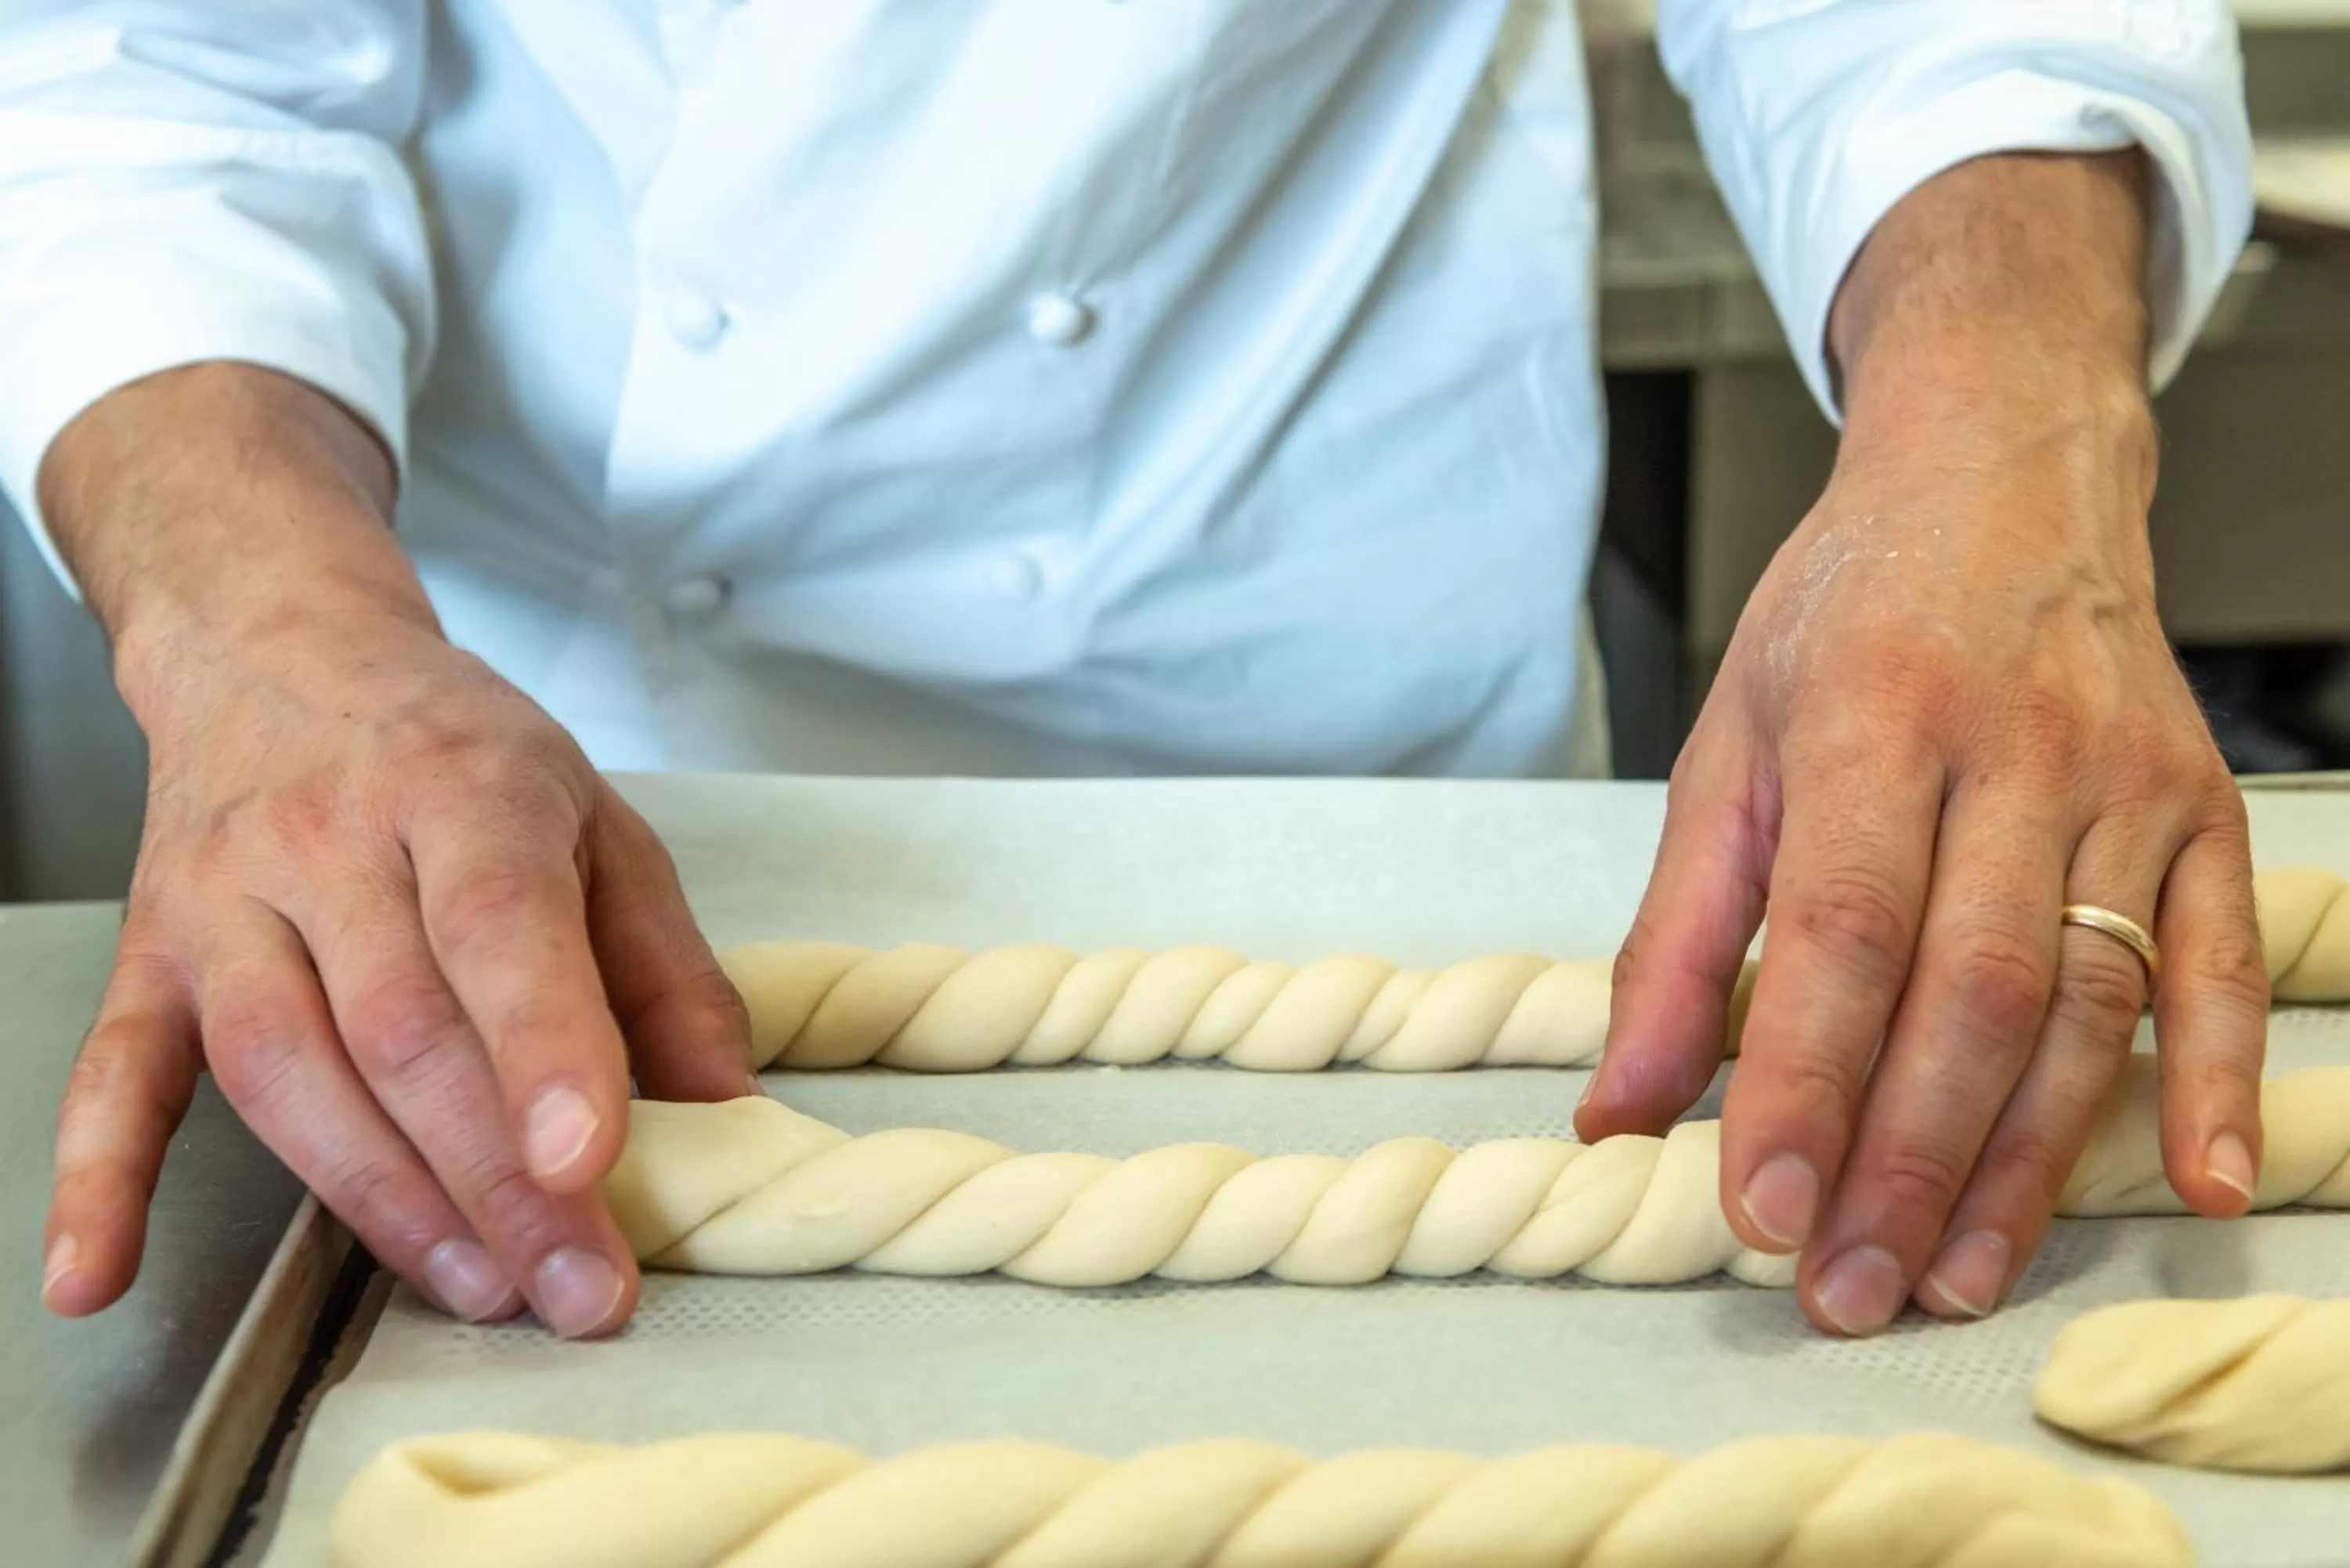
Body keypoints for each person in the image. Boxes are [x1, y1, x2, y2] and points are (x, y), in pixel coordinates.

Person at [6, 1, 2269, 1342]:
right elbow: (146, 70)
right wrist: (271, 633)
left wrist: (2001, 442)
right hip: (532, 786)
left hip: (1344, 697)